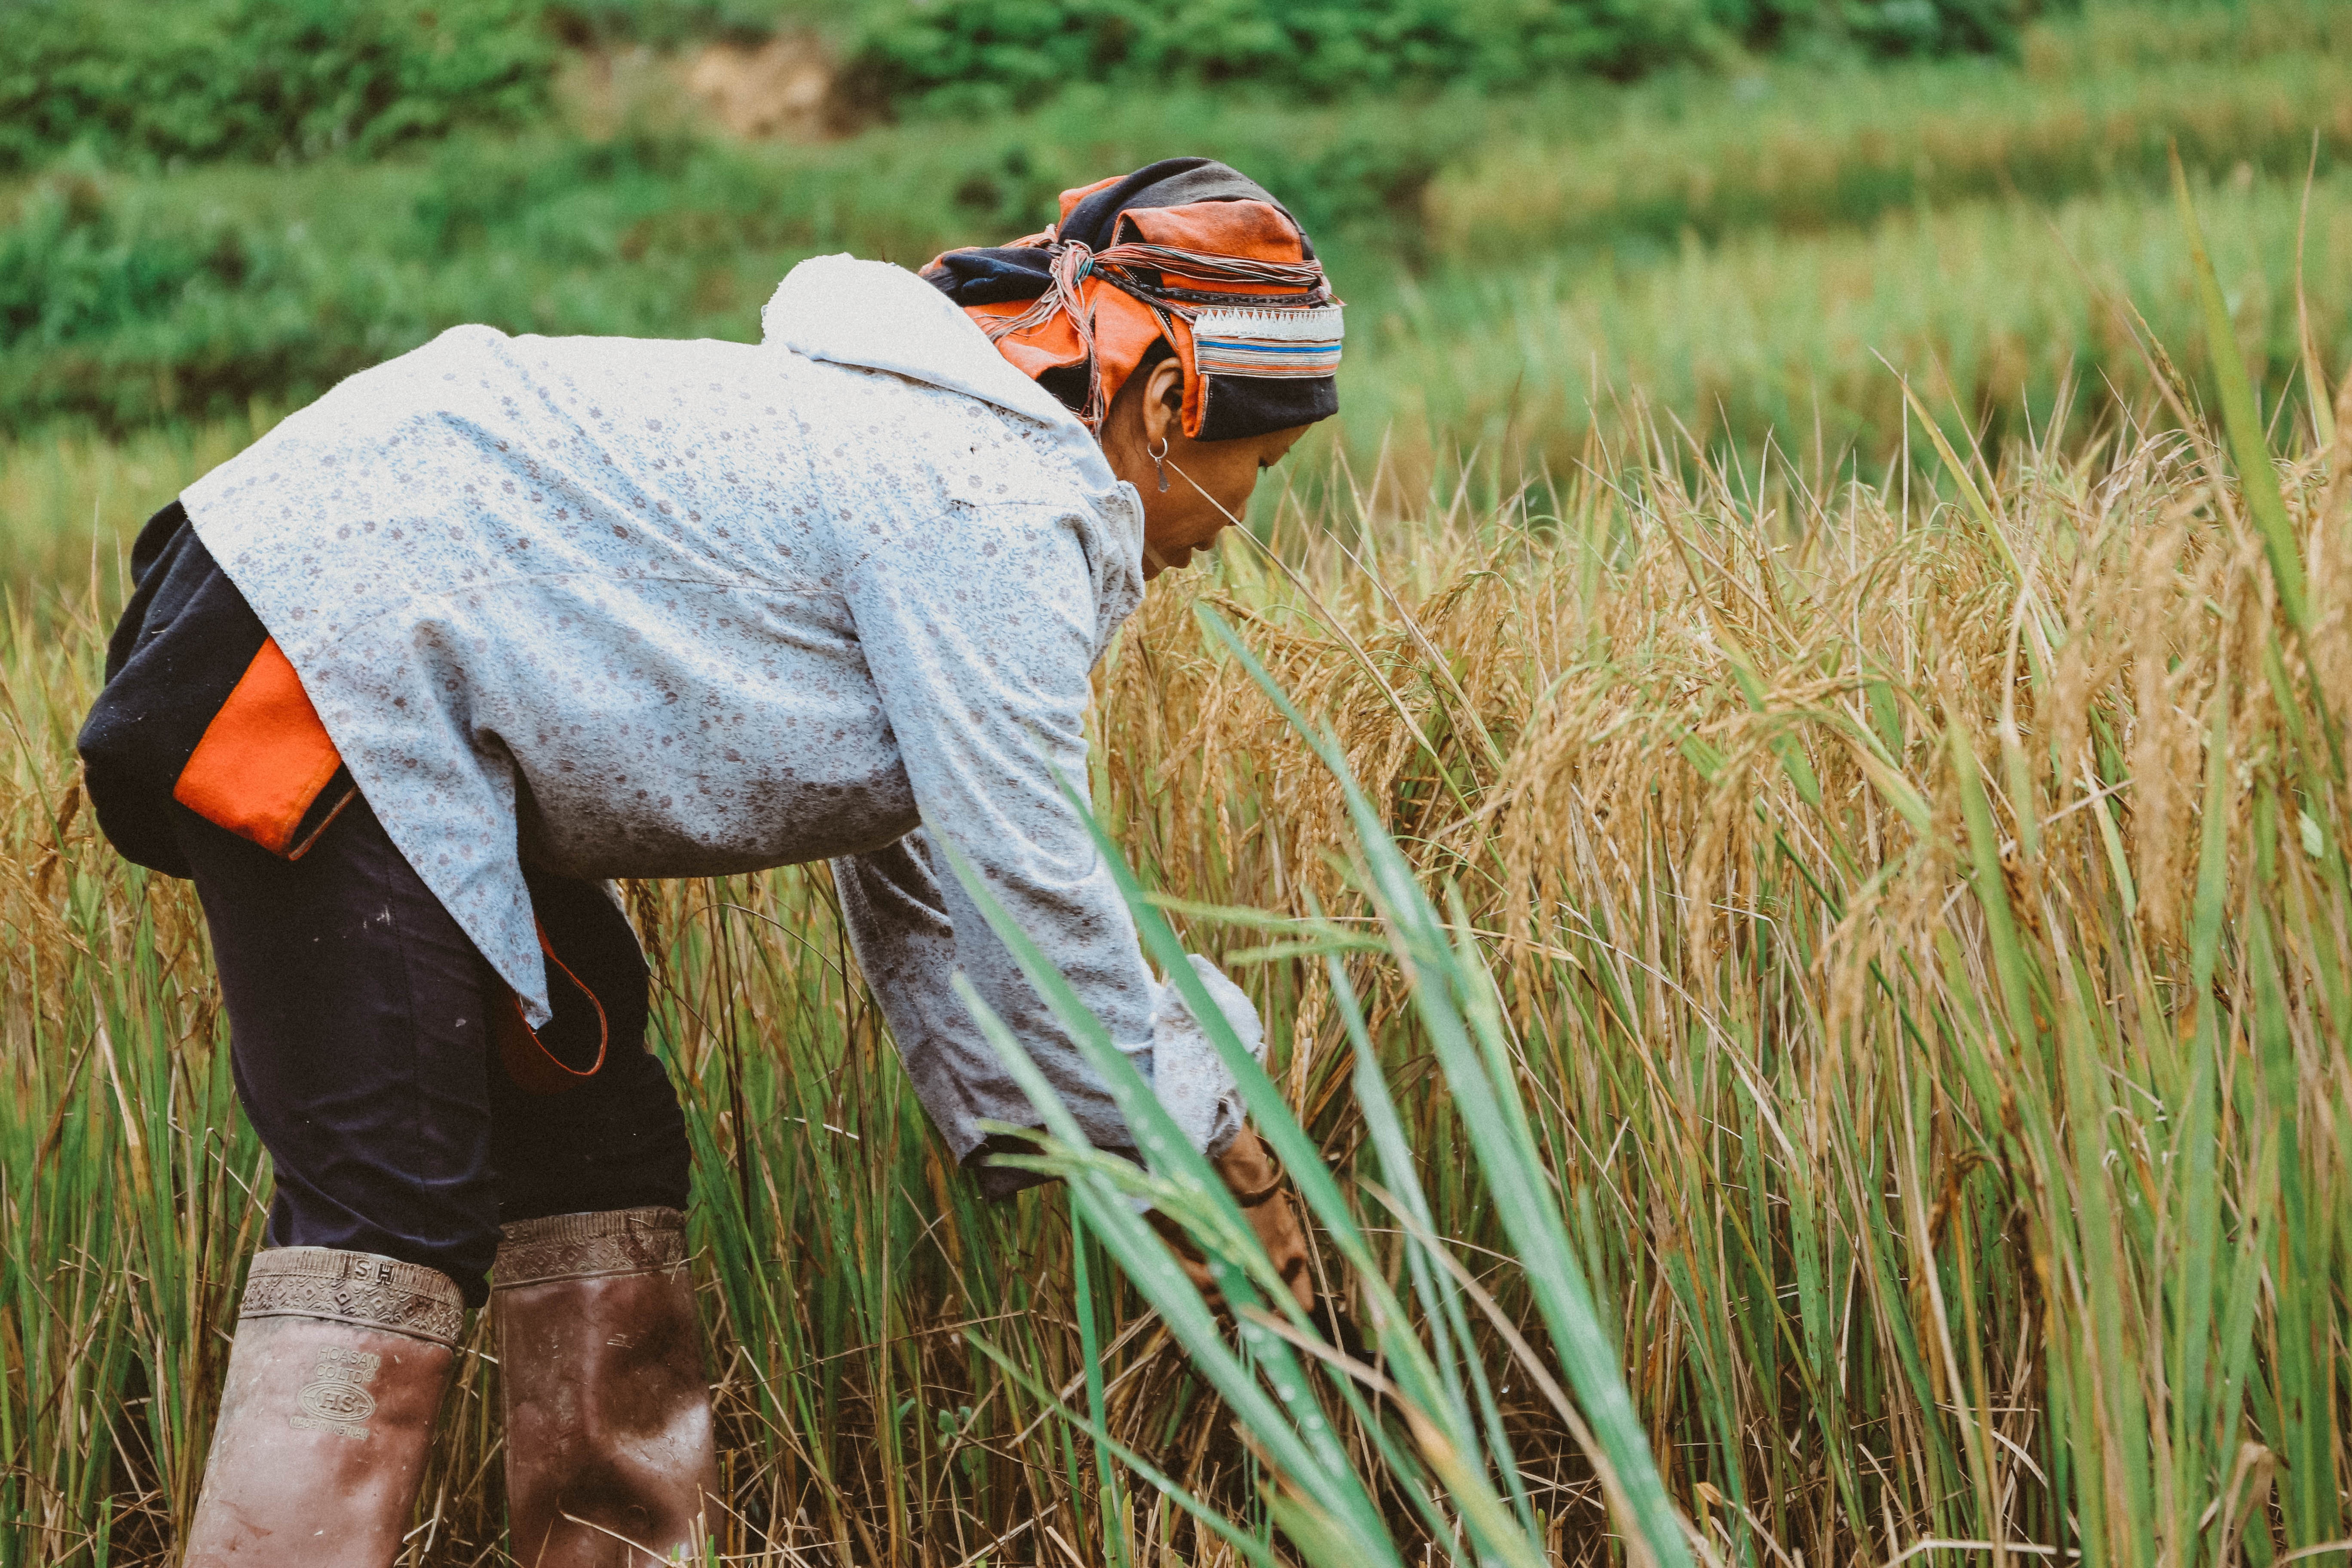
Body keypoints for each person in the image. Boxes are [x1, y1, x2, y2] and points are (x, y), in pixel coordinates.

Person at [77, 157, 1341, 1568]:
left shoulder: (950, 472)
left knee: (601, 1153)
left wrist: (1066, 1120)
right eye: (1263, 471)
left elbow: (929, 873)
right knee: (393, 1196)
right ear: (1169, 404)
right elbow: (1030, 887)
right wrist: (1210, 1126)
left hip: (424, 707)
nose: (1237, 531)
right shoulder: (993, 501)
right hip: (313, 646)